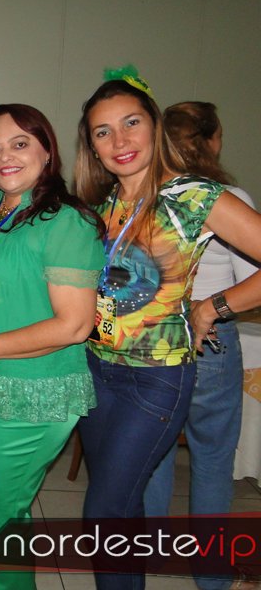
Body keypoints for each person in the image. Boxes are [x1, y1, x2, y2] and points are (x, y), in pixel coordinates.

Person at [74, 68, 261, 590]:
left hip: (156, 378)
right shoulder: (104, 205)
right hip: (98, 373)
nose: (120, 141)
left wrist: (214, 307)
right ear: (92, 147)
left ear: (155, 126)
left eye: (131, 123)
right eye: (103, 132)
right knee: (125, 507)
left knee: (104, 513)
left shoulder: (192, 195)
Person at [0, 104, 104, 590]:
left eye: (19, 144)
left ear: (47, 151)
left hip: (34, 387)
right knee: (3, 506)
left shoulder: (67, 222)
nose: (4, 157)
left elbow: (75, 325)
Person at [143, 102, 258, 590]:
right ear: (211, 140)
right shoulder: (226, 198)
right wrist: (212, 307)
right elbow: (251, 281)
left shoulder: (147, 195)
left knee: (154, 456)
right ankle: (211, 575)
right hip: (210, 341)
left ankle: (149, 556)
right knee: (212, 459)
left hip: (153, 340)